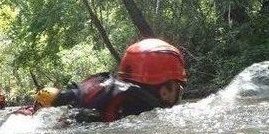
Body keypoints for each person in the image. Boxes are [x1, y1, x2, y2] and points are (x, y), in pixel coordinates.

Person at [52, 38, 186, 122]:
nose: (179, 95)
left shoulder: (105, 86)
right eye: (177, 89)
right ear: (164, 91)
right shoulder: (146, 112)